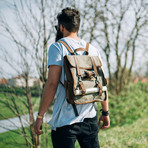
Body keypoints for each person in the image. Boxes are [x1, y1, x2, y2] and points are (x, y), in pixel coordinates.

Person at [34, 7, 110, 148]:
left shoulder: (57, 47)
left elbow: (52, 84)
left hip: (65, 122)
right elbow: (102, 84)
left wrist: (40, 116)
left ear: (61, 27)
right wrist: (105, 112)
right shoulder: (93, 49)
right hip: (90, 118)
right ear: (77, 27)